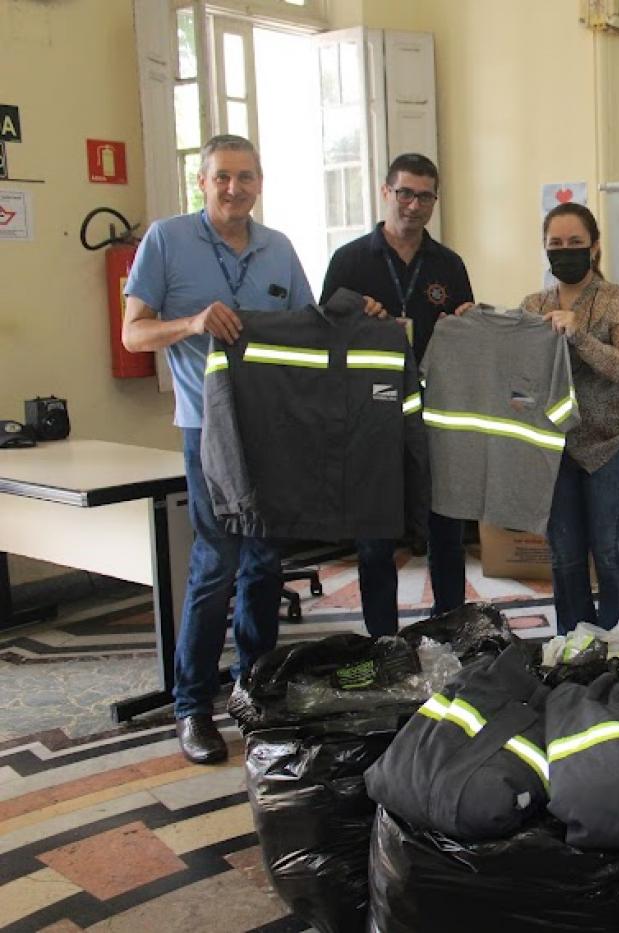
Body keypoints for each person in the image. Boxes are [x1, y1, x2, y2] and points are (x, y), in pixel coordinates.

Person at [123, 135, 317, 764]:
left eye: (247, 177)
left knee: (264, 564)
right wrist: (191, 323)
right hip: (207, 431)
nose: (235, 188)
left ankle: (254, 692)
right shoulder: (166, 241)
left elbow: (308, 331)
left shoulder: (279, 249)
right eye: (223, 178)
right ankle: (192, 707)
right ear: (200, 183)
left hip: (272, 432)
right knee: (216, 565)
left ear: (260, 183)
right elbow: (132, 334)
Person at [320, 153, 476, 634]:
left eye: (424, 195)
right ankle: (382, 641)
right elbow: (325, 336)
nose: (413, 204)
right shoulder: (348, 261)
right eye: (404, 192)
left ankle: (449, 629)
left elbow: (465, 329)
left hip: (435, 410)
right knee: (375, 536)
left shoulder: (448, 265)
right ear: (385, 192)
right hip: (373, 415)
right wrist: (353, 316)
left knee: (446, 528)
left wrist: (467, 319)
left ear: (434, 201)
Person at [521, 202, 619, 633]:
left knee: (611, 552)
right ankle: (574, 650)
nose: (565, 251)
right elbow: (519, 377)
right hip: (553, 452)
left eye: (575, 242)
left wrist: (579, 337)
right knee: (565, 556)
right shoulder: (533, 304)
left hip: (612, 445)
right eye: (555, 244)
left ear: (595, 248)